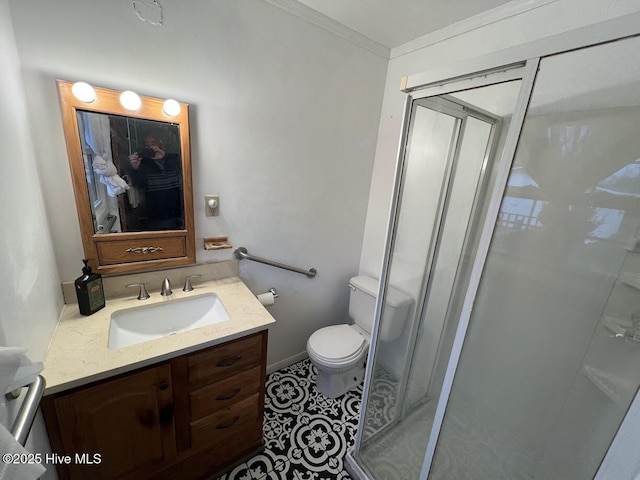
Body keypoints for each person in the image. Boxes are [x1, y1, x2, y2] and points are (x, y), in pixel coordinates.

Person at [128, 135, 183, 230]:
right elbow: (138, 185)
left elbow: (185, 172)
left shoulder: (173, 158)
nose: (150, 148)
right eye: (146, 146)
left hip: (178, 212)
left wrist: (164, 157)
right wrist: (136, 169)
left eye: (153, 144)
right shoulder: (143, 164)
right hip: (155, 215)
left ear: (160, 145)